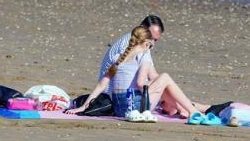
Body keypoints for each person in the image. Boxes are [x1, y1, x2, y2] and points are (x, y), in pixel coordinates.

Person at [65, 24, 205, 123]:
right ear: (146, 42)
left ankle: (186, 109)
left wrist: (83, 107)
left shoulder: (118, 57)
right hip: (134, 108)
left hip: (118, 108)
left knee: (160, 81)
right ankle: (193, 112)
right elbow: (139, 83)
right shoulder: (143, 56)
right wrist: (156, 88)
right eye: (151, 43)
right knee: (165, 78)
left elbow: (101, 85)